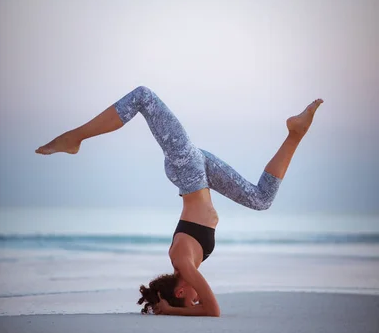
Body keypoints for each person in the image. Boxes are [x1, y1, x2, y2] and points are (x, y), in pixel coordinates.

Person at [36, 86, 323, 317]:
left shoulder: (183, 264)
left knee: (142, 96)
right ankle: (295, 132)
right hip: (197, 170)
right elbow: (206, 307)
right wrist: (173, 308)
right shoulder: (184, 264)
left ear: (182, 292)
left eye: (192, 301)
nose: (198, 299)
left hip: (188, 170)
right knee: (261, 199)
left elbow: (213, 311)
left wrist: (171, 310)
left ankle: (74, 138)